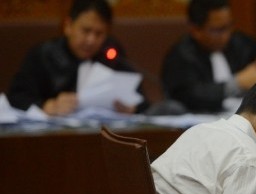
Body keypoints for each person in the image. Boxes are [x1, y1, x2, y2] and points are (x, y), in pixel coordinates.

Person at [161, 0, 256, 113]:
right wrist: (236, 84)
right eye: (218, 30)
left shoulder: (238, 42)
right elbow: (188, 95)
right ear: (196, 30)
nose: (226, 35)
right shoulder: (180, 55)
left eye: (229, 26)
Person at [6, 0, 149, 116]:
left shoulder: (111, 53)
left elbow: (142, 101)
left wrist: (132, 108)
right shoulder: (43, 54)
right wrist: (47, 106)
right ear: (68, 26)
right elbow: (17, 98)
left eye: (99, 34)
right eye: (86, 31)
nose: (91, 40)